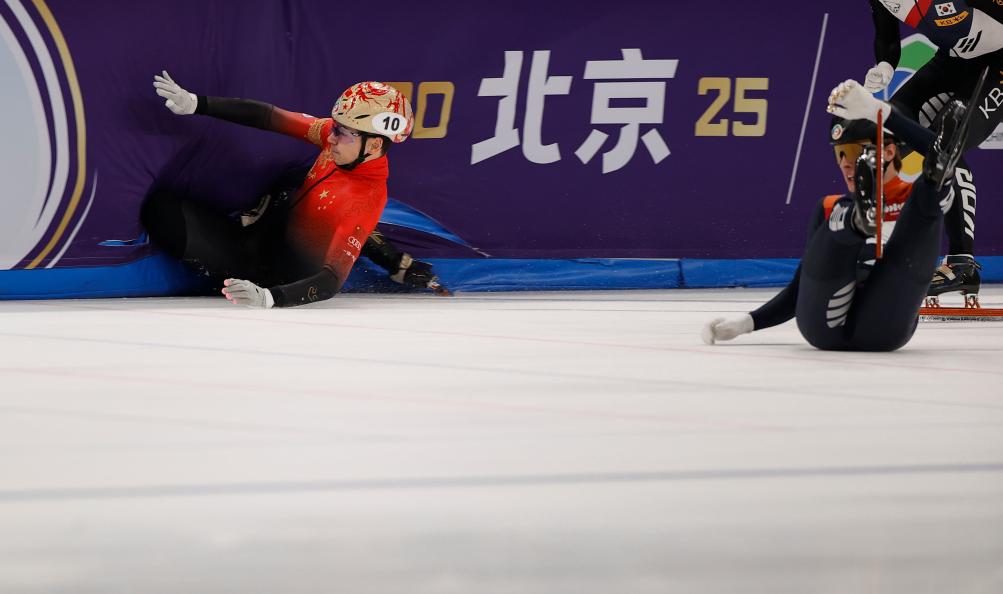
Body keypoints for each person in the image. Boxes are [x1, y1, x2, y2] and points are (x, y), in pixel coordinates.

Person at [703, 79, 969, 351]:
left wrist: (879, 112)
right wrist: (747, 323)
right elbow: (801, 288)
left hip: (886, 321)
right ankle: (856, 221)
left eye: (854, 152)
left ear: (889, 151)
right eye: (840, 153)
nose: (845, 164)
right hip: (826, 322)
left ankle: (931, 177)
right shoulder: (829, 207)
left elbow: (948, 165)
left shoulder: (916, 200)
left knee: (929, 197)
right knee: (836, 210)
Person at [144, 71, 415, 307]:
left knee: (163, 215)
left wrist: (270, 297)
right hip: (255, 241)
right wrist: (196, 103)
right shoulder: (341, 143)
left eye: (341, 132)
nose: (330, 137)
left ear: (374, 145)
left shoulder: (367, 197)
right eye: (334, 127)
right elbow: (269, 116)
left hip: (268, 278)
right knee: (163, 206)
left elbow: (331, 280)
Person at [864, 0, 1003, 302]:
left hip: (998, 66)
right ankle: (867, 246)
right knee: (884, 131)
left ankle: (962, 264)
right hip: (951, 61)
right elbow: (887, 37)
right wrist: (885, 65)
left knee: (948, 144)